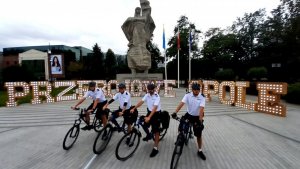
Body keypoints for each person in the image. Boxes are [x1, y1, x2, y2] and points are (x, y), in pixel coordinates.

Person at [171, 83, 206, 160]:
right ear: (192, 89)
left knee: (199, 134)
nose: (196, 92)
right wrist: (175, 112)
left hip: (197, 117)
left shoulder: (202, 97)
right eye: (195, 90)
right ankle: (179, 138)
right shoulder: (188, 95)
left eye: (198, 90)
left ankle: (200, 150)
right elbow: (181, 104)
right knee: (181, 125)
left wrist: (200, 121)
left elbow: (201, 109)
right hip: (189, 115)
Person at [130, 83, 161, 158]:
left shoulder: (157, 96)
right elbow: (141, 102)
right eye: (149, 89)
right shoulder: (147, 95)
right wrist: (134, 108)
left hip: (156, 114)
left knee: (156, 131)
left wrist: (149, 117)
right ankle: (149, 135)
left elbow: (155, 108)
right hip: (149, 112)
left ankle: (155, 148)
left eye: (151, 90)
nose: (150, 91)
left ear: (154, 89)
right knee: (142, 123)